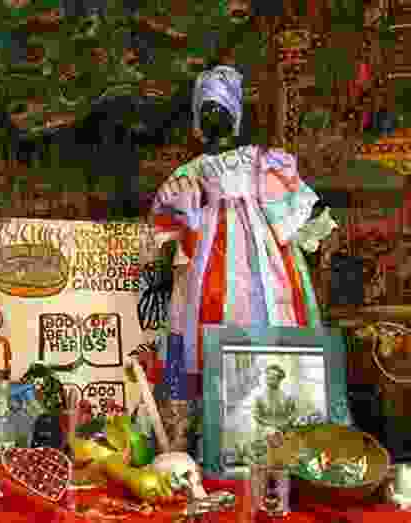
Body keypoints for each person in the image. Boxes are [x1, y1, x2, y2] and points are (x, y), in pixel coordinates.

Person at [144, 63, 323, 401]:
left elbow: (286, 205)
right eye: (207, 107)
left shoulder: (259, 160)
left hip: (261, 251)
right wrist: (173, 247)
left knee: (268, 308)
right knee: (200, 315)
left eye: (220, 106)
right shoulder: (192, 170)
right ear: (198, 119)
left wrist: (296, 222)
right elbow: (169, 219)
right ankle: (204, 409)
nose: (214, 113)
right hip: (206, 257)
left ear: (235, 113)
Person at [252, 364, 297, 439]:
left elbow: (294, 413)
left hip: (283, 431)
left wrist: (285, 424)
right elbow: (255, 414)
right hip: (265, 433)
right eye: (268, 377)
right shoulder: (259, 397)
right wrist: (269, 425)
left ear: (279, 380)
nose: (269, 380)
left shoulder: (287, 397)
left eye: (273, 378)